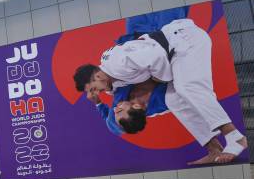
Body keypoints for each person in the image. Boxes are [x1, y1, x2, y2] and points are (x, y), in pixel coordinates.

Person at [73, 18, 247, 164]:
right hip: (174, 47)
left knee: (187, 86)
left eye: (96, 89)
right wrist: (96, 99)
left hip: (183, 40)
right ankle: (214, 149)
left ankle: (234, 136)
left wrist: (161, 78)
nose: (100, 92)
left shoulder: (119, 65)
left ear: (97, 76)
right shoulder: (115, 79)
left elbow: (155, 55)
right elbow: (113, 94)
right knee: (174, 98)